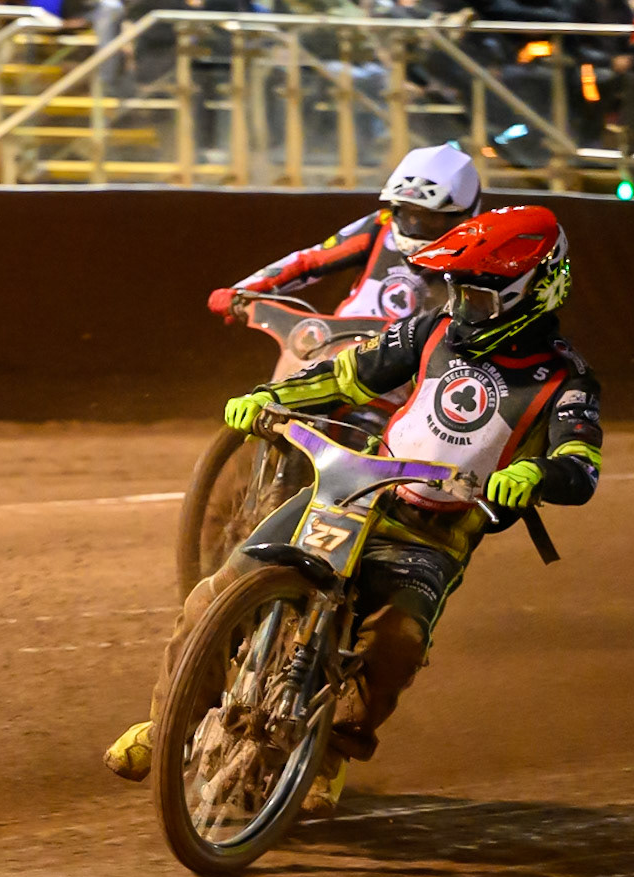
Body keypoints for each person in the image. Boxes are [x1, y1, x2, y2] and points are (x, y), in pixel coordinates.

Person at [105, 206, 602, 816]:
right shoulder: (431, 330)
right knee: (220, 591)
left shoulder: (566, 381)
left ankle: (334, 748)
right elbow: (350, 375)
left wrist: (536, 472)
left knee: (394, 640)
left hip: (432, 533)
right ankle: (169, 722)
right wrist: (272, 396)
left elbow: (581, 463)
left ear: (534, 294)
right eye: (457, 292)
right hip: (356, 487)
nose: (460, 307)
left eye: (477, 298)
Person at [206, 144, 482, 325]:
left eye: (429, 217)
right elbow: (310, 261)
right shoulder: (381, 225)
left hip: (416, 367)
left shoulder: (481, 254)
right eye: (407, 213)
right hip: (342, 348)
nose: (414, 224)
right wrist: (243, 290)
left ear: (462, 215)